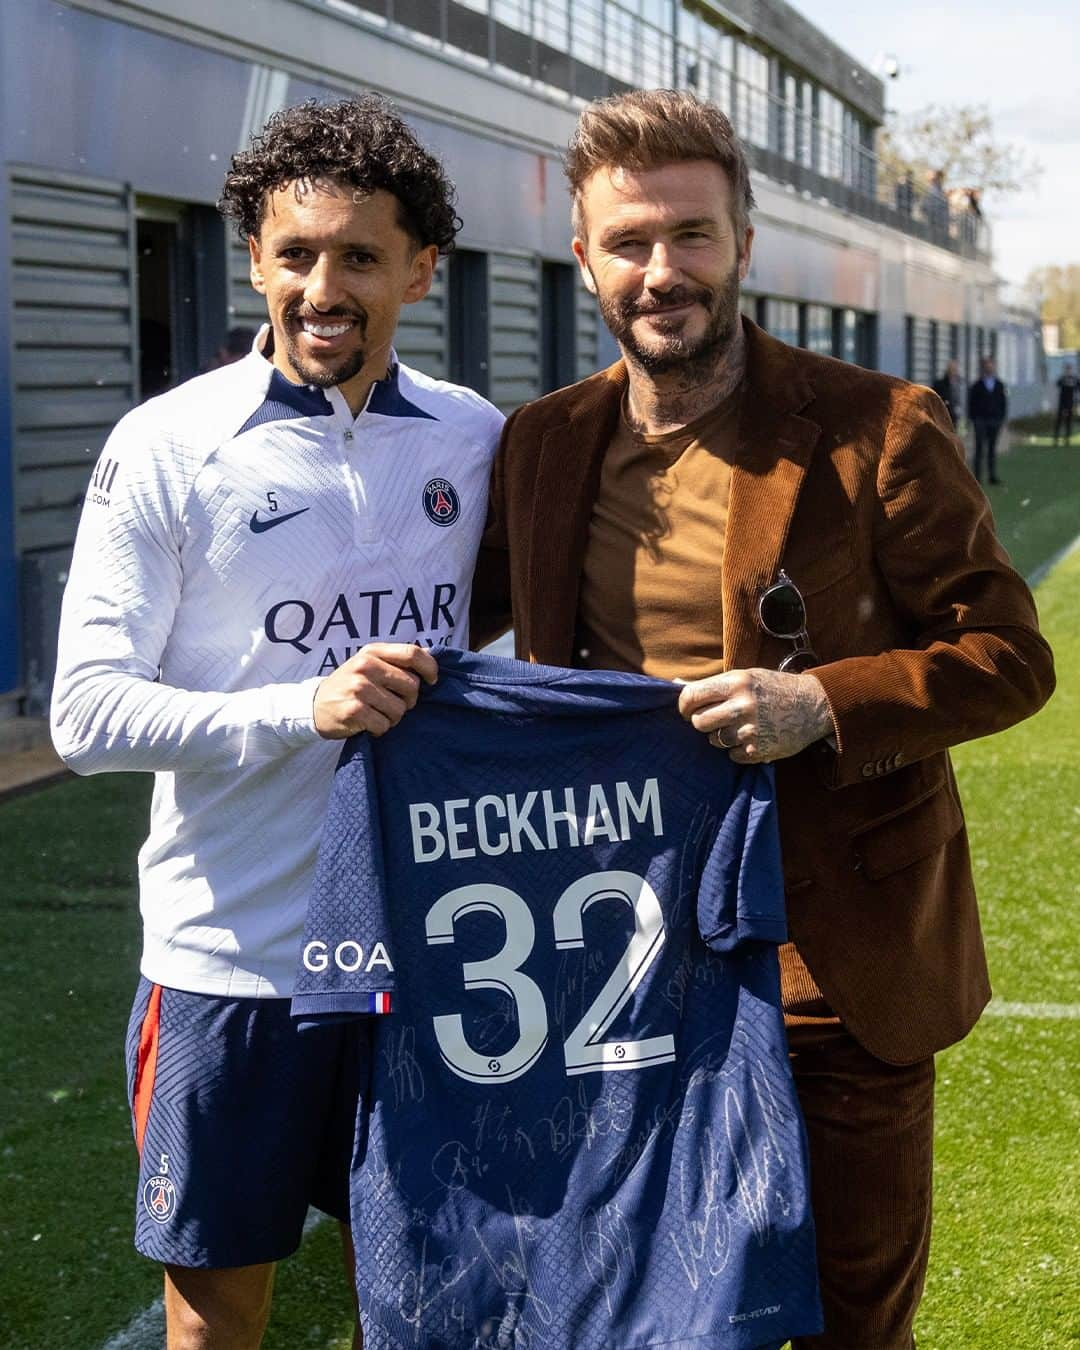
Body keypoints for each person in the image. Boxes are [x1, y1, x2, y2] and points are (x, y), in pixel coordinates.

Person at [471, 89, 1055, 1349]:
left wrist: (824, 701)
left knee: (855, 1320)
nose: (661, 270)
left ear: (743, 242)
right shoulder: (542, 444)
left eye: (691, 235)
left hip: (836, 959)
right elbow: (438, 623)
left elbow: (1010, 655)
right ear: (583, 256)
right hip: (622, 965)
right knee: (663, 1312)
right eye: (629, 241)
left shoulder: (874, 426)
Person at [51, 95, 504, 1350]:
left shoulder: (477, 441)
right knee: (216, 1312)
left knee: (426, 1295)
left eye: (359, 255)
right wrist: (301, 708)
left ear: (422, 269)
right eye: (294, 253)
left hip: (424, 960)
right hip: (229, 961)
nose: (322, 288)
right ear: (253, 254)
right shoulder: (167, 447)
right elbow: (84, 713)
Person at [967, 354, 1008, 484]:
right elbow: (971, 403)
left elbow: (1003, 403)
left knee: (992, 448)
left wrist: (1001, 418)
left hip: (994, 420)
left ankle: (992, 475)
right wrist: (973, 419)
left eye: (991, 364)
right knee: (979, 448)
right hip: (980, 421)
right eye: (987, 365)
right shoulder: (977, 385)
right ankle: (977, 477)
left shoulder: (1000, 385)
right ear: (984, 367)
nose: (989, 367)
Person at [932, 356, 962, 427]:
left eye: (955, 369)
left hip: (958, 417)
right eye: (951, 369)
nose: (953, 371)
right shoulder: (939, 384)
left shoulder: (960, 383)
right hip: (944, 417)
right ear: (947, 370)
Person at [1054, 361, 1077, 444]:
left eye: (1069, 369)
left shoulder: (1074, 379)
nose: (1068, 371)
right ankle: (1056, 439)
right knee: (1059, 421)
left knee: (1069, 421)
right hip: (1062, 402)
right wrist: (1064, 379)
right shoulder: (1062, 379)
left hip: (1070, 403)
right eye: (1067, 369)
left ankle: (1067, 439)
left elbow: (1077, 388)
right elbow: (1057, 384)